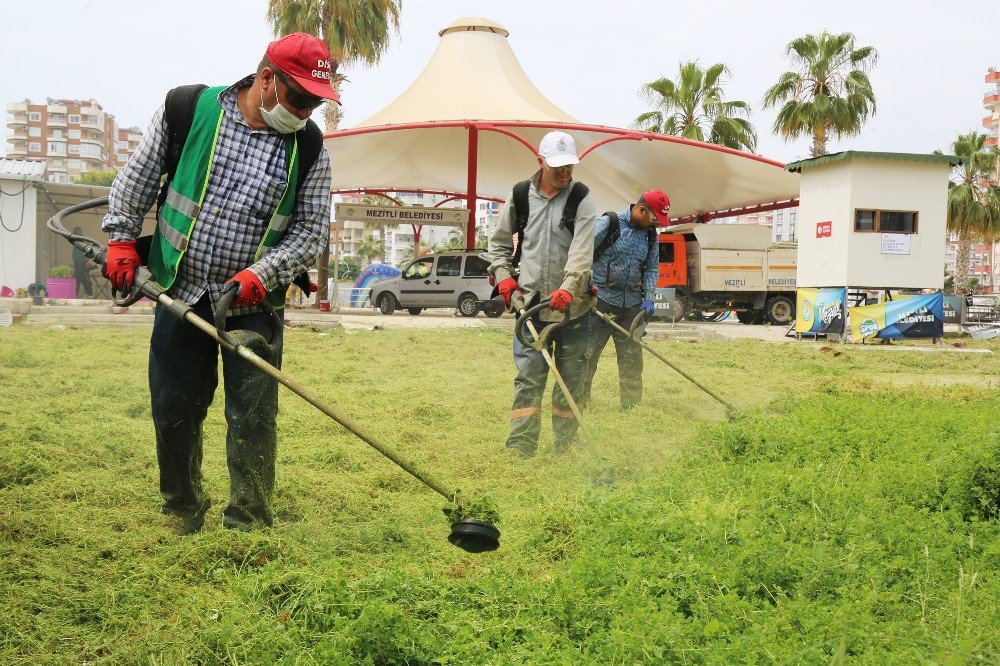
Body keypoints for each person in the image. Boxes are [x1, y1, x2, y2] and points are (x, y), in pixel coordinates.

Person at [101, 33, 336, 533]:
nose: (306, 111)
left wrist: (259, 276)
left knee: (253, 417)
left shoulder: (310, 148)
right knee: (174, 409)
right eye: (299, 98)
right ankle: (181, 508)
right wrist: (121, 240)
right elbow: (135, 181)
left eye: (316, 102)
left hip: (253, 305)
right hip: (178, 292)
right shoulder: (188, 109)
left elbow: (310, 231)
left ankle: (248, 521)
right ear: (266, 78)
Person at [486, 130, 597, 457]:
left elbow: (581, 253)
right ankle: (521, 446)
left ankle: (565, 446)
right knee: (529, 380)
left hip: (573, 310)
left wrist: (567, 288)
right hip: (530, 310)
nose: (565, 173)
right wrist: (504, 277)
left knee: (570, 381)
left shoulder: (581, 199)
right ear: (540, 162)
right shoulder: (520, 195)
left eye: (569, 166)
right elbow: (499, 244)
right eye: (557, 166)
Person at [581, 190, 671, 411]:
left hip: (631, 305)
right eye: (655, 219)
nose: (656, 225)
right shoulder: (609, 223)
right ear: (641, 210)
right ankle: (579, 402)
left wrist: (648, 299)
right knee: (587, 355)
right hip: (600, 302)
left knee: (632, 360)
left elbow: (651, 268)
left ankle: (631, 407)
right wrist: (583, 290)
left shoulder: (650, 236)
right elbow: (581, 254)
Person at [71, 226, 95, 298]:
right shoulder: (76, 239)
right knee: (82, 277)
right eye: (78, 232)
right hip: (78, 261)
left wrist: (87, 260)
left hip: (81, 261)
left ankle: (76, 294)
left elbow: (85, 250)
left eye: (80, 231)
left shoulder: (81, 240)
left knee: (79, 278)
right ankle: (89, 293)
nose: (80, 233)